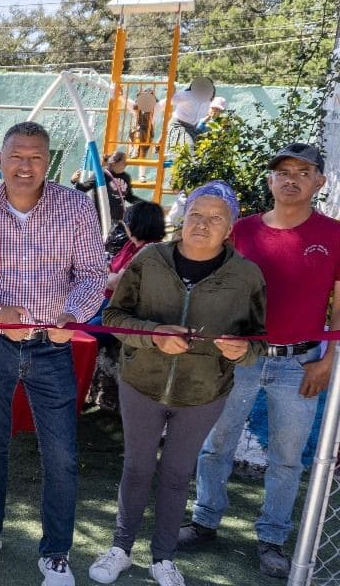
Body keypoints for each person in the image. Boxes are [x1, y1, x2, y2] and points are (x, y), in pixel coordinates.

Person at [0, 120, 107, 585]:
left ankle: (56, 553)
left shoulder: (76, 208)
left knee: (60, 453)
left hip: (53, 349)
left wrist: (74, 315)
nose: (26, 165)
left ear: (49, 162)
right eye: (17, 155)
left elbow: (93, 275)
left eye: (36, 157)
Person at [91, 181, 265, 586]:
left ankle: (164, 557)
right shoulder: (150, 260)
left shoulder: (246, 276)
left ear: (229, 229)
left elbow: (258, 339)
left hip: (203, 393)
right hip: (142, 383)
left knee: (176, 473)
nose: (203, 224)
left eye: (215, 219)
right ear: (182, 219)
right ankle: (120, 547)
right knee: (135, 468)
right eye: (196, 215)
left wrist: (243, 352)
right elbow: (113, 318)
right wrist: (152, 333)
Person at [179, 143, 340, 579]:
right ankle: (205, 521)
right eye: (282, 171)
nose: (291, 179)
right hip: (238, 357)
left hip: (300, 363)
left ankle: (272, 538)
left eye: (303, 172)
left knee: (288, 457)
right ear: (269, 180)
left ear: (320, 181)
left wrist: (329, 360)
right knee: (217, 444)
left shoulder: (334, 234)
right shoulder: (241, 230)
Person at [89, 200, 167, 413]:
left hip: (124, 313)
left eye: (127, 222)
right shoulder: (131, 246)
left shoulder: (151, 252)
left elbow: (115, 282)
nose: (124, 225)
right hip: (107, 302)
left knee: (84, 335)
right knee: (70, 320)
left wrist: (100, 274)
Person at [71, 150, 141, 253]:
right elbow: (83, 188)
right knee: (100, 245)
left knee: (115, 246)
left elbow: (129, 197)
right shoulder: (101, 175)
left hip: (118, 219)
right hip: (102, 218)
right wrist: (74, 181)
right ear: (114, 163)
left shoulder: (126, 177)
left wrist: (145, 204)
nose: (126, 165)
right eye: (124, 162)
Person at [169, 77, 215, 144]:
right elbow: (172, 101)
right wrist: (172, 90)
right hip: (179, 124)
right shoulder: (188, 94)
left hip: (192, 127)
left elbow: (202, 115)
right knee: (188, 147)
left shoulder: (207, 100)